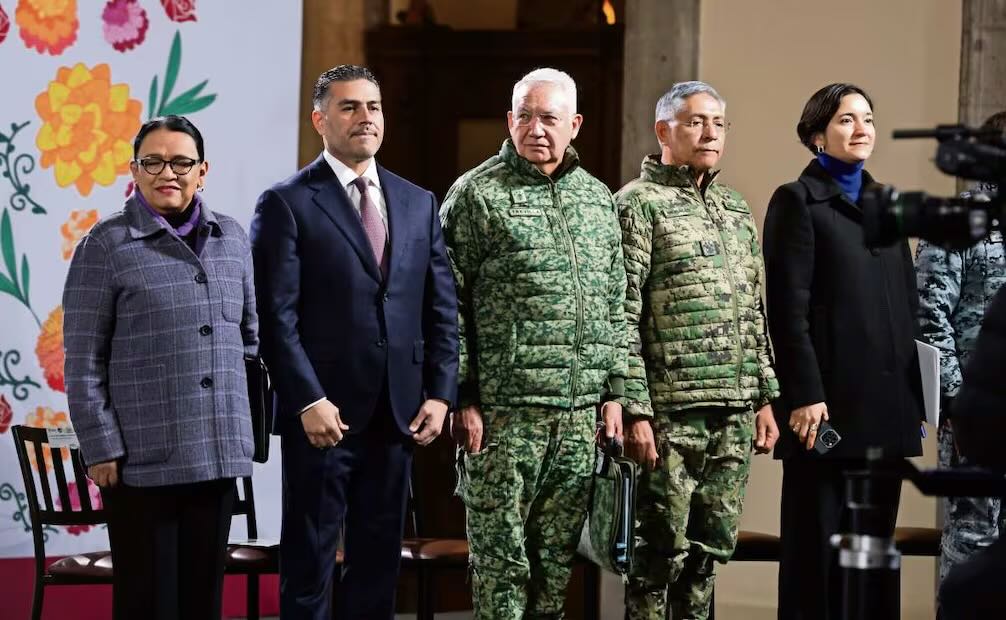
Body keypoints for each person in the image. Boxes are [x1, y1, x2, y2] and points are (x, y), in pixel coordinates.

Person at [249, 64, 458, 620]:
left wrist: (440, 393)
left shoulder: (418, 202)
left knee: (376, 566)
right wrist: (306, 401)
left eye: (374, 106)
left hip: (399, 414)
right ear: (320, 119)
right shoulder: (287, 203)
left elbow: (440, 307)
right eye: (349, 107)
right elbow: (275, 318)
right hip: (323, 418)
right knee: (310, 565)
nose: (365, 117)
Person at [440, 67, 628, 620]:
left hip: (577, 421)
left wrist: (614, 391)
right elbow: (447, 303)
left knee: (554, 576)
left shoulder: (597, 200)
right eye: (525, 115)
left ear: (575, 125)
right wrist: (463, 395)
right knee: (502, 574)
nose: (536, 128)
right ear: (509, 120)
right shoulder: (477, 195)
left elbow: (615, 303)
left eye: (549, 118)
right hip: (502, 420)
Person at [63, 115, 258, 619]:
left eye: (180, 161)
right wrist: (101, 447)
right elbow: (83, 359)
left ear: (202, 170)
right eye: (152, 162)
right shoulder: (106, 244)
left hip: (216, 454)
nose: (166, 172)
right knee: (149, 602)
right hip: (141, 461)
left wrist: (248, 432)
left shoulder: (232, 238)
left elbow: (251, 340)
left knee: (202, 602)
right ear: (134, 169)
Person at [616, 80, 780, 620]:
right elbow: (622, 315)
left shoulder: (734, 208)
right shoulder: (637, 205)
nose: (710, 133)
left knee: (707, 557)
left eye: (718, 124)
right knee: (657, 558)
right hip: (669, 413)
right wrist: (635, 410)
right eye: (695, 122)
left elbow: (753, 311)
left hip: (732, 411)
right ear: (664, 131)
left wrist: (763, 396)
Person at [763, 83, 924, 620]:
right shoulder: (796, 202)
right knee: (819, 561)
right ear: (817, 135)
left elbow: (907, 308)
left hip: (885, 414)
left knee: (873, 563)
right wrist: (804, 396)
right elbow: (788, 313)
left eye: (868, 120)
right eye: (847, 120)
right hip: (827, 414)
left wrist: (916, 402)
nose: (862, 130)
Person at [916, 110, 1006, 598]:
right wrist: (958, 405)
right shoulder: (957, 222)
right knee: (974, 542)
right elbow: (930, 319)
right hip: (978, 418)